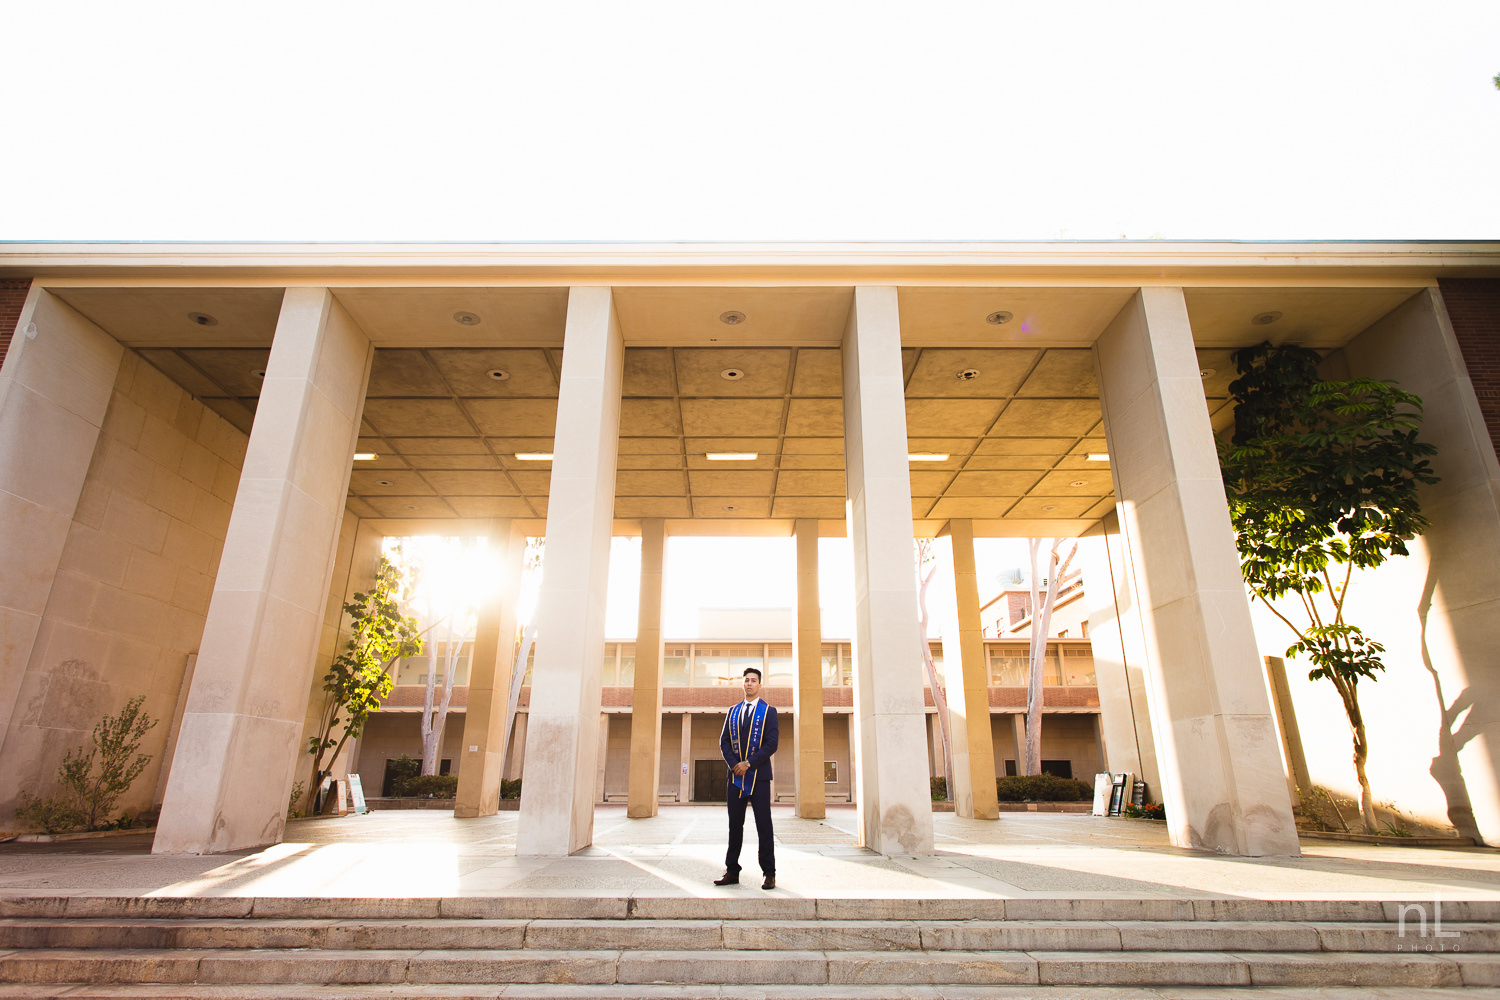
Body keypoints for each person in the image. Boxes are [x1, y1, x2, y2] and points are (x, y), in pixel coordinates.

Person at [715, 666, 778, 889]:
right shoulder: (732, 711)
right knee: (735, 825)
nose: (750, 683)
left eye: (754, 680)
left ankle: (769, 873)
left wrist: (748, 764)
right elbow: (723, 742)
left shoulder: (768, 711)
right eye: (746, 680)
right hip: (735, 778)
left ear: (760, 685)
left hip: (759, 778)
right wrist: (735, 765)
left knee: (764, 825)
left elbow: (772, 744)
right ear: (743, 684)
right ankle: (732, 870)